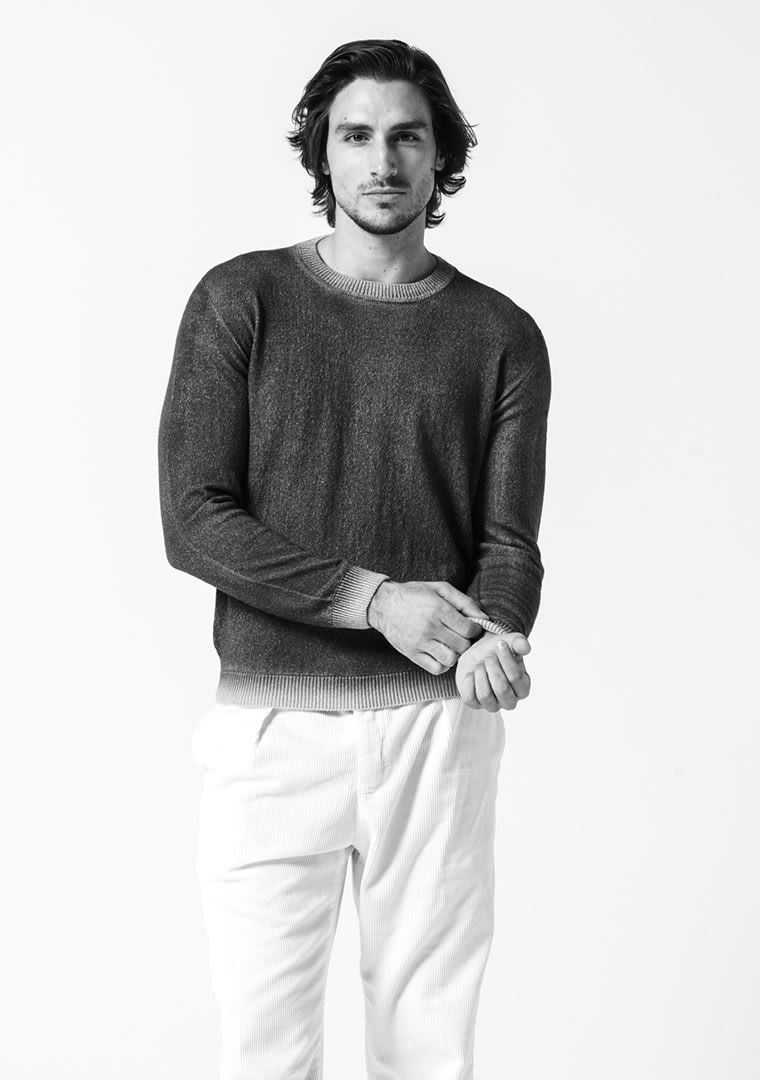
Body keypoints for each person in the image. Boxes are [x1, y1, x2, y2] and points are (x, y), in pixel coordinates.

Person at [158, 37, 551, 1080]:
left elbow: (507, 542)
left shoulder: (500, 333)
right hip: (272, 730)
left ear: (441, 157)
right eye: (357, 135)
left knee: (428, 1051)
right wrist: (373, 600)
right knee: (266, 1053)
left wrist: (496, 635)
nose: (383, 161)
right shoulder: (240, 299)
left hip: (436, 726)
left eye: (408, 137)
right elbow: (194, 518)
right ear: (321, 154)